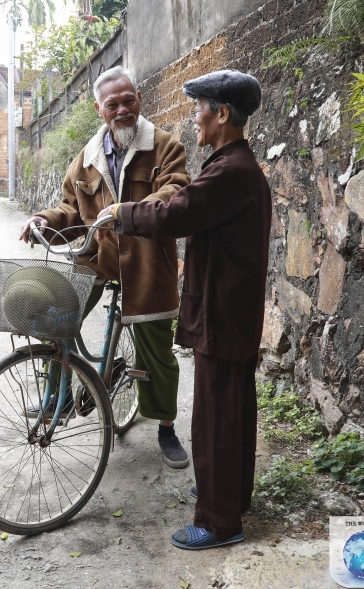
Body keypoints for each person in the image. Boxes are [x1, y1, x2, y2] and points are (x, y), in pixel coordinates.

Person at [96, 69, 271, 550]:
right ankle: (231, 495)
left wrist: (121, 213)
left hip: (221, 312)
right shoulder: (235, 165)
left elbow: (177, 211)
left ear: (221, 114)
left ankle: (218, 522)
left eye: (199, 109)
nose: (193, 118)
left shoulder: (229, 171)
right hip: (230, 309)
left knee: (215, 417)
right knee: (234, 408)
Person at [19, 66, 192, 468]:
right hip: (97, 259)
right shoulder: (87, 159)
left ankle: (166, 427)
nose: (122, 109)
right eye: (112, 104)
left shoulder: (165, 147)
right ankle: (59, 399)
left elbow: (175, 192)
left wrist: (125, 212)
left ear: (139, 99)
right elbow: (69, 208)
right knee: (56, 318)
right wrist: (44, 220)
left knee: (156, 352)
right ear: (100, 109)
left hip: (148, 263)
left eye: (128, 100)